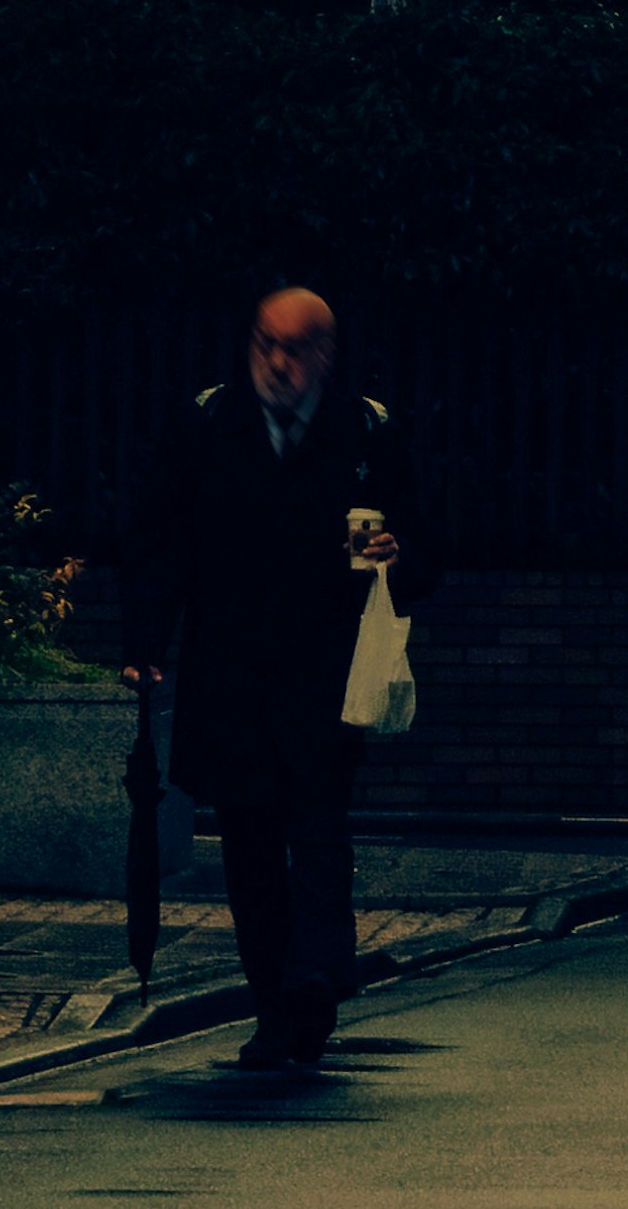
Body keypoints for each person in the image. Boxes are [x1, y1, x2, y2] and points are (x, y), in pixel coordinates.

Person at [125, 285, 425, 1077]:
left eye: (295, 347)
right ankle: (273, 1005)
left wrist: (401, 555)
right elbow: (164, 537)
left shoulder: (365, 431)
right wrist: (146, 639)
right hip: (231, 674)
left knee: (320, 825)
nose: (277, 362)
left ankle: (316, 979)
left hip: (325, 673)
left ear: (325, 353)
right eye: (265, 343)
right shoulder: (208, 423)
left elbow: (424, 541)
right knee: (251, 844)